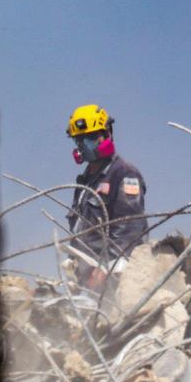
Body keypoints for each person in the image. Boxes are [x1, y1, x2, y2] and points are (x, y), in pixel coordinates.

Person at [64, 104, 148, 278]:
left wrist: (106, 269)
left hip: (114, 273)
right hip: (87, 273)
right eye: (80, 140)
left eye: (92, 137)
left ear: (107, 134)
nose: (86, 145)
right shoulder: (86, 181)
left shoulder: (124, 173)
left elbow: (130, 228)